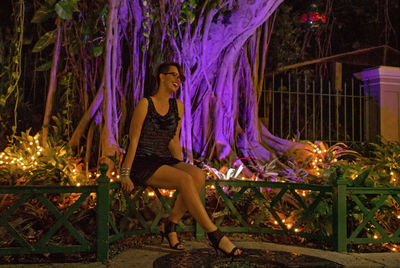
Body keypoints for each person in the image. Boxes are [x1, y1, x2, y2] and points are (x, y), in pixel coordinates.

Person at [119, 62, 242, 256]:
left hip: (163, 159)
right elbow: (133, 141)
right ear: (161, 76)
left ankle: (170, 224)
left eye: (180, 77)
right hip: (142, 162)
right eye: (174, 75)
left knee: (198, 176)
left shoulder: (178, 106)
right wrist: (125, 173)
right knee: (185, 179)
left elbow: (174, 139)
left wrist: (180, 166)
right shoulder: (145, 104)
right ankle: (214, 235)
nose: (178, 80)